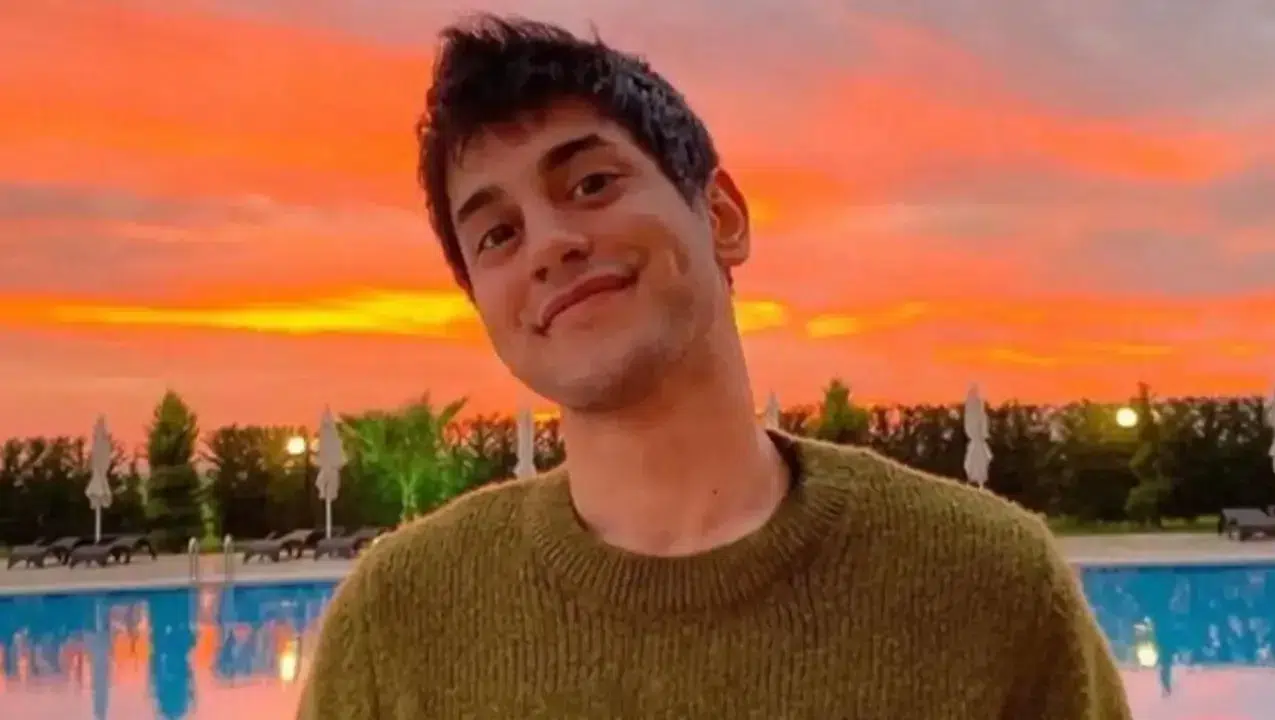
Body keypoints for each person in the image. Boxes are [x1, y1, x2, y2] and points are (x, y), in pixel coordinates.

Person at [297, 13, 1132, 719]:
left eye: (590, 184)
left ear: (723, 216)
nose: (550, 243)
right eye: (497, 235)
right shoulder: (397, 623)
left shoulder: (990, 587)